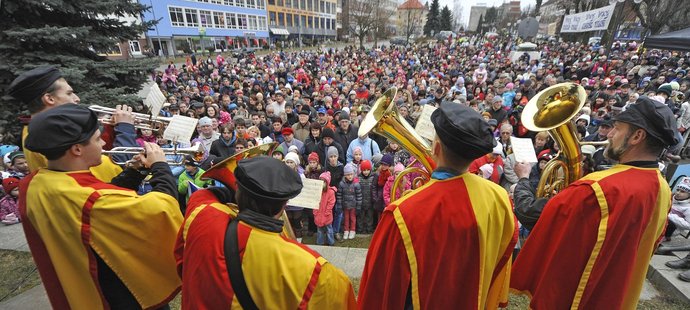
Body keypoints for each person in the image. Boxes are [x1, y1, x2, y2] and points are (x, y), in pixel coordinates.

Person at [511, 96, 680, 308]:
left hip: (578, 298)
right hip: (619, 297)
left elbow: (531, 214)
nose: (609, 135)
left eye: (617, 129)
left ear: (637, 136)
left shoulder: (597, 188)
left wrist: (524, 179)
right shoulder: (662, 187)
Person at [19, 104, 182, 309]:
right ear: (77, 149)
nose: (104, 142)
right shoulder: (90, 198)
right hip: (118, 289)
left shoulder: (37, 182)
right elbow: (162, 209)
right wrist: (160, 167)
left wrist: (133, 172)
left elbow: (101, 198)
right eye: (97, 139)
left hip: (82, 277)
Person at [358, 103, 517, 309]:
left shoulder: (402, 213)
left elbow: (381, 285)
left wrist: (417, 198)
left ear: (436, 147)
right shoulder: (500, 196)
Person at [174, 156, 356, 309]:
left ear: (237, 193)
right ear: (285, 204)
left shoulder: (201, 218)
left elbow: (200, 197)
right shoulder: (316, 270)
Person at [5, 66, 137, 181]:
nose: (77, 99)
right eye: (69, 93)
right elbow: (118, 170)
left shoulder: (35, 130)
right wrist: (125, 129)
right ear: (49, 98)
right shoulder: (54, 134)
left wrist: (112, 129)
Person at [337, 163, 362, 240]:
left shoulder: (356, 184)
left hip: (353, 206)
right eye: (348, 175)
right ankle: (346, 230)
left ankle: (352, 230)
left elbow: (359, 196)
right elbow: (339, 195)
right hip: (345, 205)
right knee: (346, 219)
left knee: (353, 219)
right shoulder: (341, 184)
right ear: (345, 175)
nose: (350, 176)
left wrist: (358, 206)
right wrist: (340, 205)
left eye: (351, 174)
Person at [314, 171, 336, 246]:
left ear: (327, 182)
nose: (322, 183)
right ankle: (320, 242)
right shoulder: (317, 191)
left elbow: (331, 203)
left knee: (329, 230)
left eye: (324, 182)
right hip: (318, 215)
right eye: (320, 181)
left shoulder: (331, 192)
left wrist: (327, 212)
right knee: (319, 230)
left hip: (327, 216)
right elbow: (315, 202)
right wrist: (315, 211)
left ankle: (331, 242)